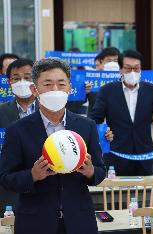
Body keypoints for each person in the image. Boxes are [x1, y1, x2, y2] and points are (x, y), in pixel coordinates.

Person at [0, 58, 106, 234]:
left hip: (79, 221)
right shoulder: (17, 130)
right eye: (48, 84)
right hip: (35, 222)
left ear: (70, 88)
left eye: (61, 84)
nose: (55, 90)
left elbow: (100, 171)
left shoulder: (86, 126)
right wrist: (32, 175)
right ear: (35, 89)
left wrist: (91, 172)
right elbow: (5, 178)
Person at [90, 49, 153, 176]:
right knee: (116, 193)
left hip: (144, 154)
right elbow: (95, 118)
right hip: (116, 154)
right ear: (120, 69)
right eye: (128, 68)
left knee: (144, 193)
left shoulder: (150, 90)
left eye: (136, 68)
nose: (132, 72)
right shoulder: (107, 91)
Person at [0, 58, 37, 216]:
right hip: (9, 191)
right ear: (9, 82)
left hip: (44, 188)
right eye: (16, 78)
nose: (22, 82)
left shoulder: (51, 110)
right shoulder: (1, 111)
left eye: (27, 77)